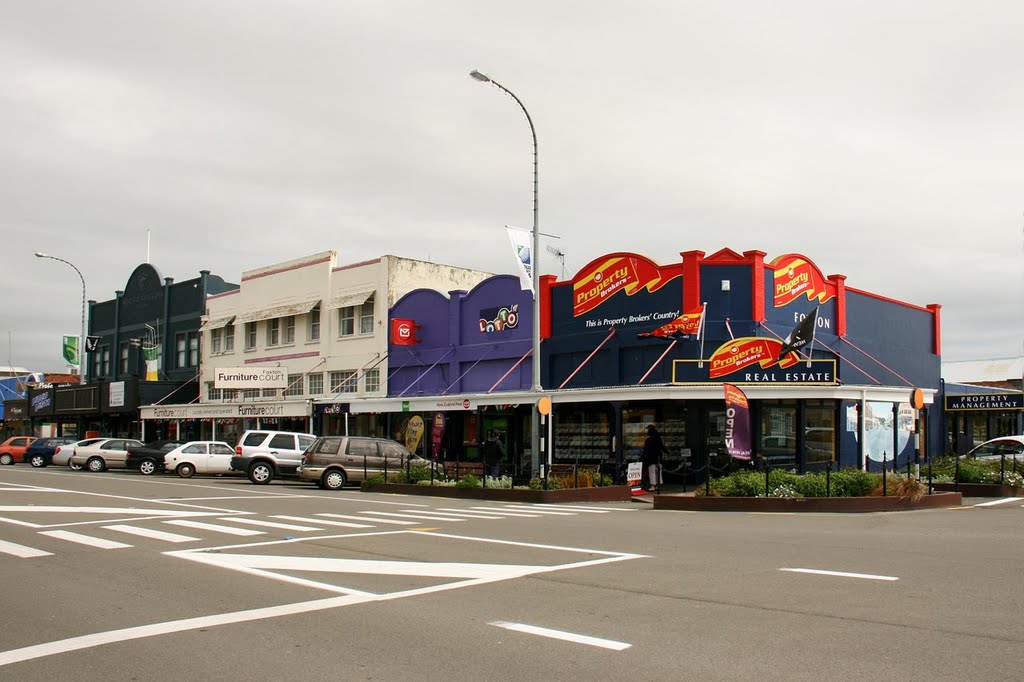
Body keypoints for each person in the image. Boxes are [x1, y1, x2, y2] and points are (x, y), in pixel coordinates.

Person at [640, 425, 669, 492]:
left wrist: (643, 456)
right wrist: (667, 452)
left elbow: (645, 450)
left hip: (651, 459)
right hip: (658, 457)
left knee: (652, 472)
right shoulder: (658, 438)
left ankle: (652, 486)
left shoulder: (648, 440)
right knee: (659, 472)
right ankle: (658, 485)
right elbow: (662, 447)